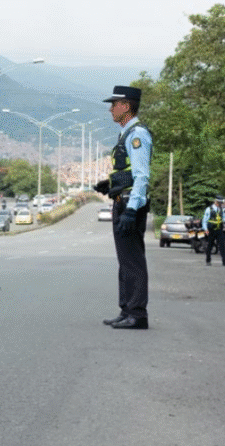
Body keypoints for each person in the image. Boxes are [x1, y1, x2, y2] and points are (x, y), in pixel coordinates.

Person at [93, 85, 152, 330]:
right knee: (125, 261)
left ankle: (137, 314)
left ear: (125, 106)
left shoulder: (137, 135)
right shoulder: (127, 134)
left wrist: (130, 210)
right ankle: (126, 309)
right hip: (124, 201)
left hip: (131, 206)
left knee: (133, 261)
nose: (110, 109)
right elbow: (128, 172)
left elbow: (142, 176)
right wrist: (112, 185)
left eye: (114, 104)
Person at [202, 196, 225, 266]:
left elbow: (223, 218)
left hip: (219, 229)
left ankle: (224, 261)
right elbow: (204, 220)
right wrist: (206, 229)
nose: (220, 203)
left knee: (222, 246)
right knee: (210, 245)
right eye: (219, 202)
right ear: (216, 201)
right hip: (211, 230)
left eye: (221, 202)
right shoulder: (209, 209)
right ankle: (208, 261)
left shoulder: (221, 209)